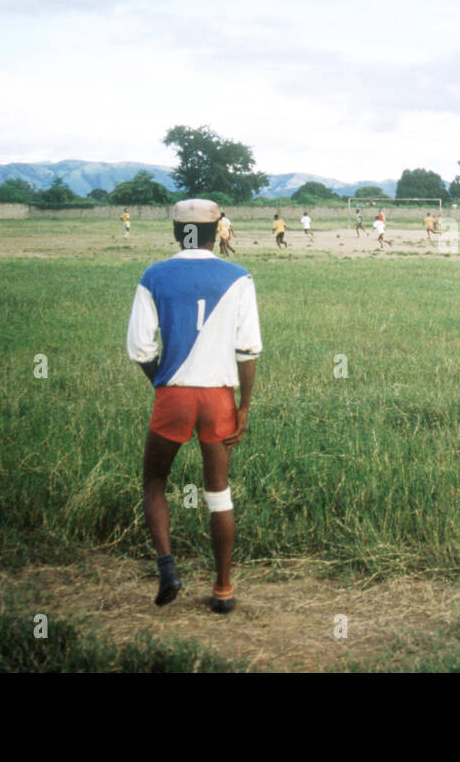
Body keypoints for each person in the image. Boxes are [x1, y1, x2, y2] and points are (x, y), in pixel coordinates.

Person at [126, 199, 261, 614]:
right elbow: (247, 350)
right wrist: (244, 406)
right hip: (219, 397)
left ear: (174, 232)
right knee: (218, 493)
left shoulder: (154, 276)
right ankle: (223, 590)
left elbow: (140, 348)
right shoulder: (239, 277)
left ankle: (168, 568)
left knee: (154, 481)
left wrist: (165, 386)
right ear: (218, 230)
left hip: (174, 395)